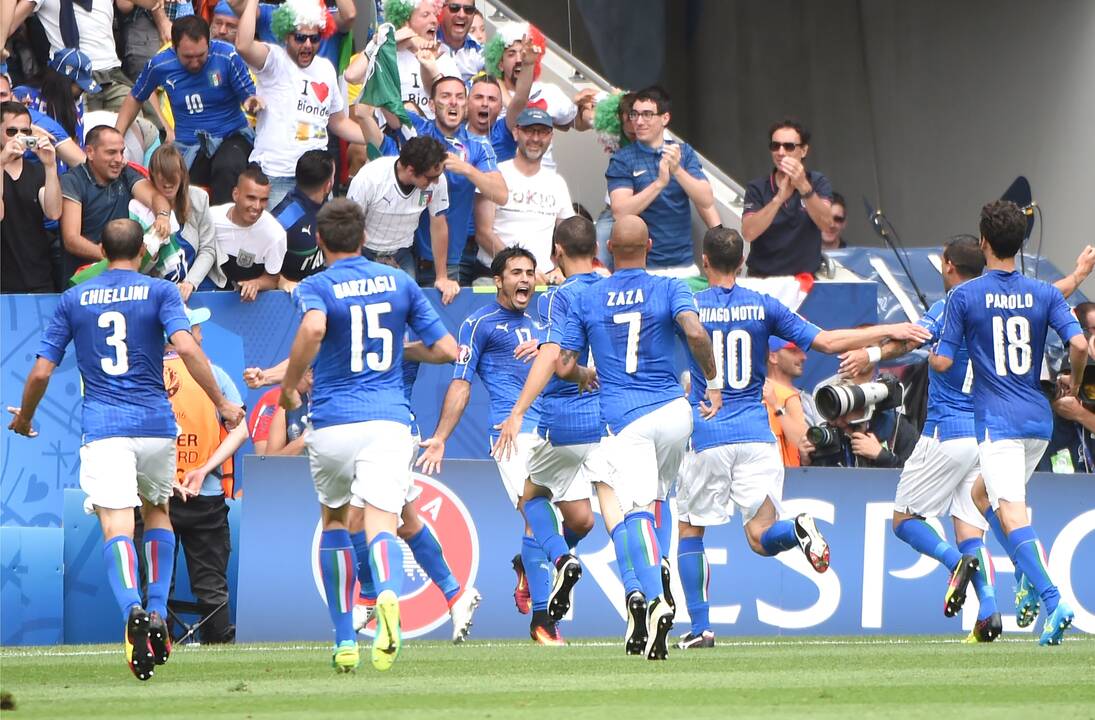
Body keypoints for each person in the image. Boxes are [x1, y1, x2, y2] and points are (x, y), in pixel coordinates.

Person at [7, 218, 243, 681]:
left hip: (105, 427)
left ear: (100, 251)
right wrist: (221, 403)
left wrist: (26, 419)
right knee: (158, 512)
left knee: (116, 525)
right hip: (157, 425)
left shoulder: (74, 299)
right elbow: (188, 350)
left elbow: (38, 374)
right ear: (142, 253)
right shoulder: (160, 293)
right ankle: (156, 611)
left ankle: (133, 608)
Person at [673, 226, 931, 649]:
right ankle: (796, 531)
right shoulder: (762, 305)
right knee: (761, 537)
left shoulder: (689, 305)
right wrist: (893, 328)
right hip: (757, 438)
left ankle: (700, 627)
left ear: (704, 262)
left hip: (709, 431)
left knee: (690, 530)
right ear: (741, 264)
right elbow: (829, 341)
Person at [840, 238, 1094, 640]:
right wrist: (1078, 276)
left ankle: (953, 563)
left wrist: (870, 356)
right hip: (985, 432)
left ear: (948, 266)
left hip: (946, 431)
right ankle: (989, 611)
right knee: (972, 525)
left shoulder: (955, 304)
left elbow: (908, 340)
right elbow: (1051, 296)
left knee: (904, 521)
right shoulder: (1015, 300)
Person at [277, 198, 458, 672]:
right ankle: (390, 599)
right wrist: (405, 352)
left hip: (335, 422)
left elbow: (315, 327)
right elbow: (447, 349)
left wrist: (289, 383)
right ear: (364, 238)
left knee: (335, 523)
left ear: (319, 242)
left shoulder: (315, 285)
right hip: (388, 421)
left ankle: (342, 640)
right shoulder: (400, 282)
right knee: (382, 522)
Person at [554, 215, 720, 660]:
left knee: (634, 512)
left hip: (625, 418)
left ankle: (655, 594)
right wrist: (712, 378)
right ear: (650, 244)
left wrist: (587, 373)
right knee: (657, 501)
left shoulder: (588, 297)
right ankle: (653, 584)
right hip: (673, 412)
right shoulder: (672, 287)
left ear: (606, 250)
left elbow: (565, 365)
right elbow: (695, 332)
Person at [930, 200, 1088, 646]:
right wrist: (1071, 386)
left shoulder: (964, 296)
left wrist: (928, 351)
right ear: (1020, 245)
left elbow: (943, 361)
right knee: (981, 495)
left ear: (983, 243)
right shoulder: (1044, 293)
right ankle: (1023, 571)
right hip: (1038, 420)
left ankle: (1054, 599)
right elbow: (1078, 344)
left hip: (997, 422)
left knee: (1009, 510)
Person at [417, 246, 587, 645]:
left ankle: (534, 561)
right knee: (536, 512)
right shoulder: (479, 324)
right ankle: (544, 620)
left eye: (530, 272)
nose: (525, 279)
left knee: (581, 521)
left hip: (556, 429)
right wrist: (441, 436)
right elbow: (461, 383)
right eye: (515, 273)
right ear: (498, 280)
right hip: (511, 433)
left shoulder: (547, 316)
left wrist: (576, 368)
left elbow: (563, 368)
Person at [491, 218, 644, 645]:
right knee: (606, 516)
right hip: (615, 420)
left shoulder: (562, 297)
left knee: (533, 498)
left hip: (566, 418)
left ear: (556, 251)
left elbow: (559, 361)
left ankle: (558, 560)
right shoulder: (615, 289)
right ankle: (635, 590)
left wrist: (524, 404)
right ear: (598, 247)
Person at [163, 305, 248, 644]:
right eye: (195, 328)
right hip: (206, 494)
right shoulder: (213, 374)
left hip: (157, 494)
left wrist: (164, 477)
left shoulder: (143, 375)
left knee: (154, 582)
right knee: (212, 586)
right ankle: (217, 648)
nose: (200, 333)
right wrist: (203, 470)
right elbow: (240, 429)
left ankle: (154, 647)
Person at [117, 15, 261, 206]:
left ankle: (225, 228)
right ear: (173, 47)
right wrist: (117, 134)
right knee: (172, 178)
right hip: (189, 145)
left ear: (209, 44)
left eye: (201, 56)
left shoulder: (228, 56)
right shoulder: (160, 65)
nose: (195, 63)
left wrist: (252, 102)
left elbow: (248, 94)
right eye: (188, 57)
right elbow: (136, 97)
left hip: (231, 135)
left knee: (226, 166)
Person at [234, 0, 367, 207]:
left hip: (318, 176)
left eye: (314, 39)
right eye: (300, 38)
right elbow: (243, 45)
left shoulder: (325, 69)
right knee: (279, 238)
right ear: (286, 35)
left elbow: (338, 122)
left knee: (320, 238)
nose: (307, 44)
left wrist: (377, 138)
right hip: (278, 174)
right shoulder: (274, 60)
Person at [605, 86, 719, 275]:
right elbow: (620, 212)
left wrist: (677, 171)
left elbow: (706, 199)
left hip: (684, 265)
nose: (639, 122)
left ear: (664, 118)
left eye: (647, 114)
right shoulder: (622, 159)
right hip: (643, 267)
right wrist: (659, 184)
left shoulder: (683, 152)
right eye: (635, 115)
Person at [407, 74, 506, 288]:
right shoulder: (417, 128)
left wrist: (468, 170)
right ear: (432, 105)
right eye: (446, 96)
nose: (453, 101)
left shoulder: (478, 144)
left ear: (467, 105)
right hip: (405, 254)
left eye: (460, 97)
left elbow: (501, 195)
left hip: (450, 263)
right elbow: (378, 104)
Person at [345, 135, 454, 300]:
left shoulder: (437, 180)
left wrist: (442, 277)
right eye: (431, 178)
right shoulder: (370, 178)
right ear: (410, 170)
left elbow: (438, 226)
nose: (437, 182)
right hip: (363, 253)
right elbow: (348, 226)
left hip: (401, 254)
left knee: (408, 306)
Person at [59, 125, 171, 281]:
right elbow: (71, 239)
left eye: (121, 152)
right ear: (90, 152)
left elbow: (154, 197)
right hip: (85, 279)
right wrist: (115, 258)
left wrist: (163, 216)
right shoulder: (73, 180)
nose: (119, 159)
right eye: (111, 152)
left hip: (125, 278)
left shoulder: (125, 173)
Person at [474, 107, 573, 283]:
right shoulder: (494, 175)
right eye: (528, 131)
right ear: (515, 133)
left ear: (551, 137)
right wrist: (522, 271)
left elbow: (569, 235)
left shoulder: (557, 183)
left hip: (544, 280)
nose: (535, 138)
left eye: (542, 132)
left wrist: (561, 267)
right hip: (496, 277)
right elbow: (483, 233)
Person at [741, 118, 834, 277]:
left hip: (805, 282)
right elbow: (748, 233)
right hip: (763, 279)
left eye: (789, 146)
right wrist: (778, 199)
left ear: (803, 151)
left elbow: (827, 224)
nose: (781, 152)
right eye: (775, 146)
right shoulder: (757, 187)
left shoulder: (817, 182)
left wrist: (804, 188)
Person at [14, 0, 143, 112]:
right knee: (84, 131)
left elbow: (151, 3)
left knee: (135, 126)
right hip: (73, 76)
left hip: (112, 74)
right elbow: (8, 25)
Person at [143, 144, 221, 301]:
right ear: (152, 175)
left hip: (195, 282)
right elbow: (138, 266)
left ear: (182, 174)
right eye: (162, 176)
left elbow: (208, 249)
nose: (168, 183)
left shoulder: (199, 198)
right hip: (159, 288)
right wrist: (153, 251)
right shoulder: (141, 207)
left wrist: (190, 283)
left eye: (173, 175)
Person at [1, 100, 61, 293]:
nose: (19, 137)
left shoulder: (37, 171)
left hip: (37, 277)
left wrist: (50, 166)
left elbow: (53, 212)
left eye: (25, 132)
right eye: (11, 131)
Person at [210, 164, 286, 300]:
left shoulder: (275, 234)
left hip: (249, 304)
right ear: (235, 194)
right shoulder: (211, 219)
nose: (257, 207)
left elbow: (272, 278)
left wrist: (256, 284)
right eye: (251, 198)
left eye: (263, 200)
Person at [271, 149, 333, 286]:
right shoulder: (284, 220)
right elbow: (260, 262)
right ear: (328, 185)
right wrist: (283, 282)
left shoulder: (330, 208)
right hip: (288, 298)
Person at [0, 73, 86, 169]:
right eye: (11, 131)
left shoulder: (33, 121)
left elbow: (81, 162)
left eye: (2, 95)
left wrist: (50, 165)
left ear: (12, 96)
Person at [764, 338, 810, 466]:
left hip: (793, 477)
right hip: (777, 478)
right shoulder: (754, 393)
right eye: (794, 351)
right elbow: (801, 440)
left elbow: (808, 448)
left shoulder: (806, 398)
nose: (803, 357)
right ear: (773, 357)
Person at [436, 1, 484, 81]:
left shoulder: (478, 50)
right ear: (441, 10)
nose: (462, 15)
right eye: (454, 8)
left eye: (468, 9)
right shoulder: (428, 40)